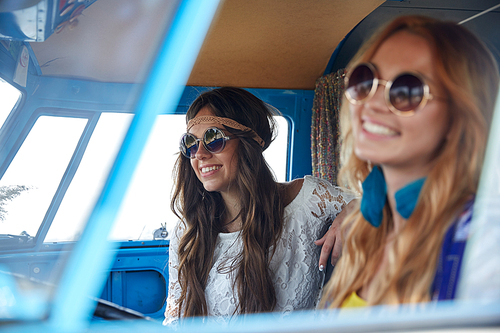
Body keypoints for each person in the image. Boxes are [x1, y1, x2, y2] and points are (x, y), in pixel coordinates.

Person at [319, 15, 499, 309]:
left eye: (407, 91)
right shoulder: (365, 230)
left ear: (459, 118)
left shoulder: (485, 240)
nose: (373, 103)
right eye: (365, 81)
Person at [163, 87, 356, 325]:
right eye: (190, 143)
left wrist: (354, 213)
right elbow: (176, 319)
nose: (199, 154)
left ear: (249, 143)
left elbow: (389, 201)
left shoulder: (307, 201)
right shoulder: (187, 232)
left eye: (214, 139)